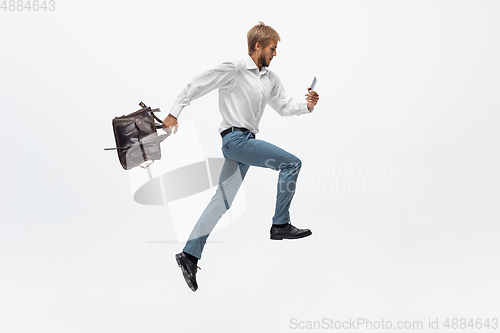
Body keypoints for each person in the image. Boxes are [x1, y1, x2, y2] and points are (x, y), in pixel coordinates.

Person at [163, 22, 319, 292]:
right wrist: (175, 111)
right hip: (235, 140)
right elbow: (197, 84)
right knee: (291, 163)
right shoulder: (234, 69)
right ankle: (280, 224)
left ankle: (189, 255)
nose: (275, 53)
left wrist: (307, 105)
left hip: (246, 143)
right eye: (272, 48)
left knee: (222, 202)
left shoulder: (270, 78)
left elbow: (283, 107)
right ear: (257, 46)